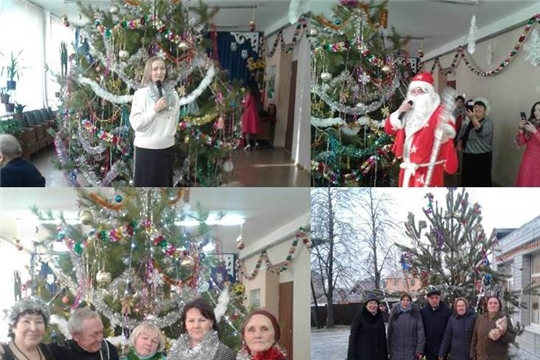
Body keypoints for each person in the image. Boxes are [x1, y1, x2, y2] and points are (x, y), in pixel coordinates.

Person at [384, 72, 458, 187]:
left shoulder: (440, 113)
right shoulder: (406, 111)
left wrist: (444, 132)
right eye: (413, 91)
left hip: (429, 172)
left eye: (420, 91)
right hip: (407, 171)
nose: (416, 94)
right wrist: (399, 112)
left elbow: (448, 131)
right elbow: (389, 129)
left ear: (430, 93)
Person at [129, 56, 180, 186]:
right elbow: (137, 124)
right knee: (144, 192)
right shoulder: (141, 94)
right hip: (145, 150)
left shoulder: (173, 95)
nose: (159, 72)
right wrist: (155, 110)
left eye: (162, 68)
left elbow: (174, 121)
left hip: (167, 149)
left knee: (164, 194)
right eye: (155, 69)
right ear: (149, 72)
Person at [168, 298, 234, 360]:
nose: (196, 326)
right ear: (185, 324)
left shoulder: (224, 353)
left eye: (202, 320)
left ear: (211, 322)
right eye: (191, 321)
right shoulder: (175, 350)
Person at [49, 307, 119, 360]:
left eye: (101, 332)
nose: (100, 339)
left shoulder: (107, 349)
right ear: (76, 336)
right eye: (94, 334)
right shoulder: (59, 351)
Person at [457, 97, 494, 186]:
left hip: (481, 157)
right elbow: (463, 133)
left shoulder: (488, 122)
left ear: (485, 111)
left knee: (480, 182)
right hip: (468, 155)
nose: (477, 108)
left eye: (480, 107)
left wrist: (473, 119)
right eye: (475, 107)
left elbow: (482, 132)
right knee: (467, 181)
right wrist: (460, 142)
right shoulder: (468, 121)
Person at [346, 293, 388, 360]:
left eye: (375, 303)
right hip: (363, 355)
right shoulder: (359, 318)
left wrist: (385, 355)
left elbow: (383, 338)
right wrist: (351, 357)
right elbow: (353, 338)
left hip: (379, 356)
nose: (373, 305)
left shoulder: (379, 317)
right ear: (366, 305)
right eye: (370, 303)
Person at [387, 293, 425, 360]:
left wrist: (419, 350)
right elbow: (389, 332)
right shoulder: (394, 314)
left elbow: (420, 332)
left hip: (411, 351)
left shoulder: (416, 314)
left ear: (410, 302)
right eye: (403, 300)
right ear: (400, 301)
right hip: (396, 351)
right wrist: (388, 349)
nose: (405, 302)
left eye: (407, 300)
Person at [420, 287, 452, 360]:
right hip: (429, 351)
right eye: (432, 298)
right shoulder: (423, 312)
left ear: (440, 298)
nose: (434, 300)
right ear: (428, 299)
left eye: (436, 298)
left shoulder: (447, 312)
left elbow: (450, 332)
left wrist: (447, 349)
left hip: (443, 350)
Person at [515, 101, 540, 186]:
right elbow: (521, 142)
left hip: (538, 160)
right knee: (525, 181)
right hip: (528, 158)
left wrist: (534, 131)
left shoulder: (533, 127)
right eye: (535, 110)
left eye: (539, 110)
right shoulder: (532, 123)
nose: (536, 112)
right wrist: (521, 129)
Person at [241, 81, 261, 151]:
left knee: (247, 130)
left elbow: (246, 104)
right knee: (253, 129)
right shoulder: (257, 94)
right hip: (254, 114)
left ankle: (248, 144)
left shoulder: (249, 94)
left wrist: (242, 104)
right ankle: (255, 143)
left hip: (248, 114)